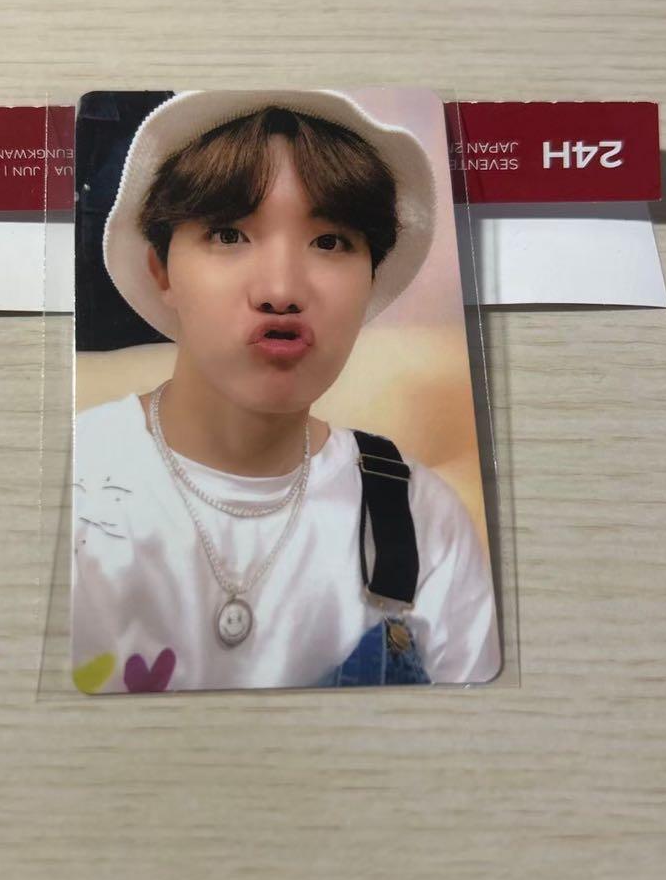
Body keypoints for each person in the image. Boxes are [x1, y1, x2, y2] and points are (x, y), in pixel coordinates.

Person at [70, 90, 500, 694]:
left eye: (330, 242)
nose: (281, 290)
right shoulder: (74, 483)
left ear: (370, 277)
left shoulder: (421, 519)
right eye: (228, 234)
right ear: (161, 269)